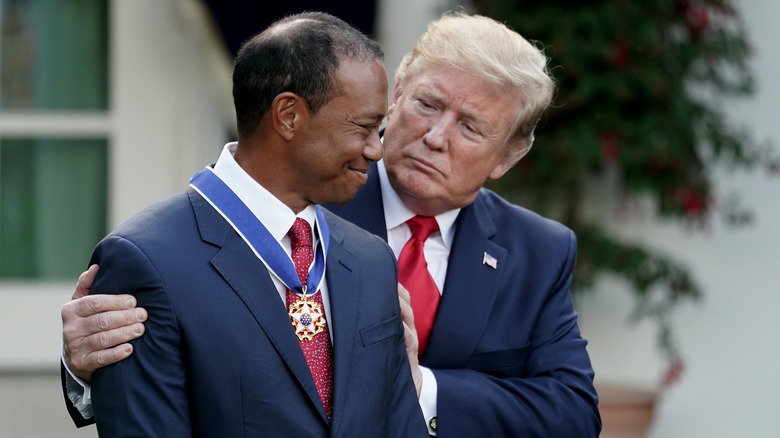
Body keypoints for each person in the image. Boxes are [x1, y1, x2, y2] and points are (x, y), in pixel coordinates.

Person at [62, 12, 601, 437]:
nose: (435, 136)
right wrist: (86, 370)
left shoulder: (539, 251)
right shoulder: (293, 200)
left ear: (507, 156)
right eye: (427, 104)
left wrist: (423, 390)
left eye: (469, 126)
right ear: (394, 97)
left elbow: (574, 414)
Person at [61, 11, 428, 437]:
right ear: (288, 115)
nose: (375, 151)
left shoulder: (371, 259)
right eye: (364, 128)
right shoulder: (146, 261)